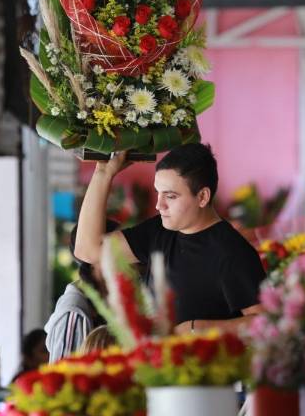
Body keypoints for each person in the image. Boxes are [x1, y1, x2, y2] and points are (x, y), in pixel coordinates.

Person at [74, 143, 265, 334]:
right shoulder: (159, 230)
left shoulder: (232, 252)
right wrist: (103, 174)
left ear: (203, 197)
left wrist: (197, 328)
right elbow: (87, 250)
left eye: (170, 196)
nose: (159, 205)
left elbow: (263, 322)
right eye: (158, 193)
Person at [44, 220, 120, 363]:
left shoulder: (106, 299)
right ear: (93, 254)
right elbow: (63, 375)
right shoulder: (74, 310)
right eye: (120, 247)